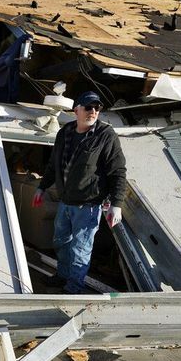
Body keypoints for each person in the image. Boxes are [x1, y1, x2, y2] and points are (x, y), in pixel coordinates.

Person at [32, 91, 126, 293]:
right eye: (88, 107)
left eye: (97, 108)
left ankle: (74, 288)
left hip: (89, 205)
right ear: (76, 110)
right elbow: (53, 164)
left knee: (80, 249)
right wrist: (42, 187)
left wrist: (116, 205)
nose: (93, 111)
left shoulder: (105, 136)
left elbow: (118, 172)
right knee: (60, 242)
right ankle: (63, 276)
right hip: (65, 202)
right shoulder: (65, 132)